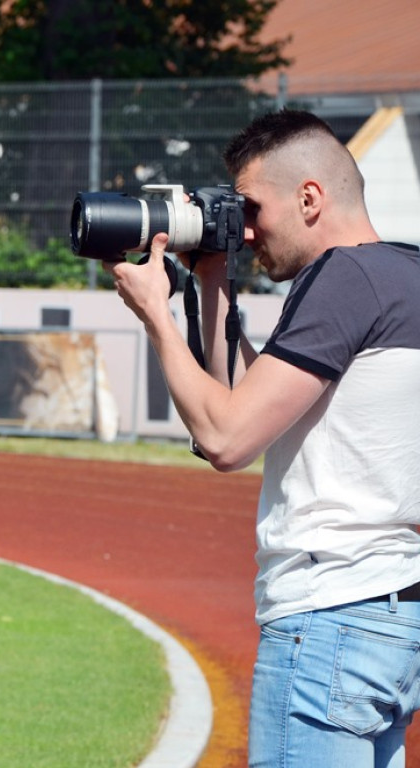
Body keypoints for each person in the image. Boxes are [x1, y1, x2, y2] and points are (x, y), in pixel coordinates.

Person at [107, 108, 420, 768]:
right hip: (394, 622)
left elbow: (225, 436)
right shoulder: (402, 276)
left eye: (251, 208)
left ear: (310, 197)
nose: (245, 231)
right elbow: (256, 403)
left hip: (328, 618)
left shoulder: (343, 280)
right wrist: (213, 278)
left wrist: (157, 316)